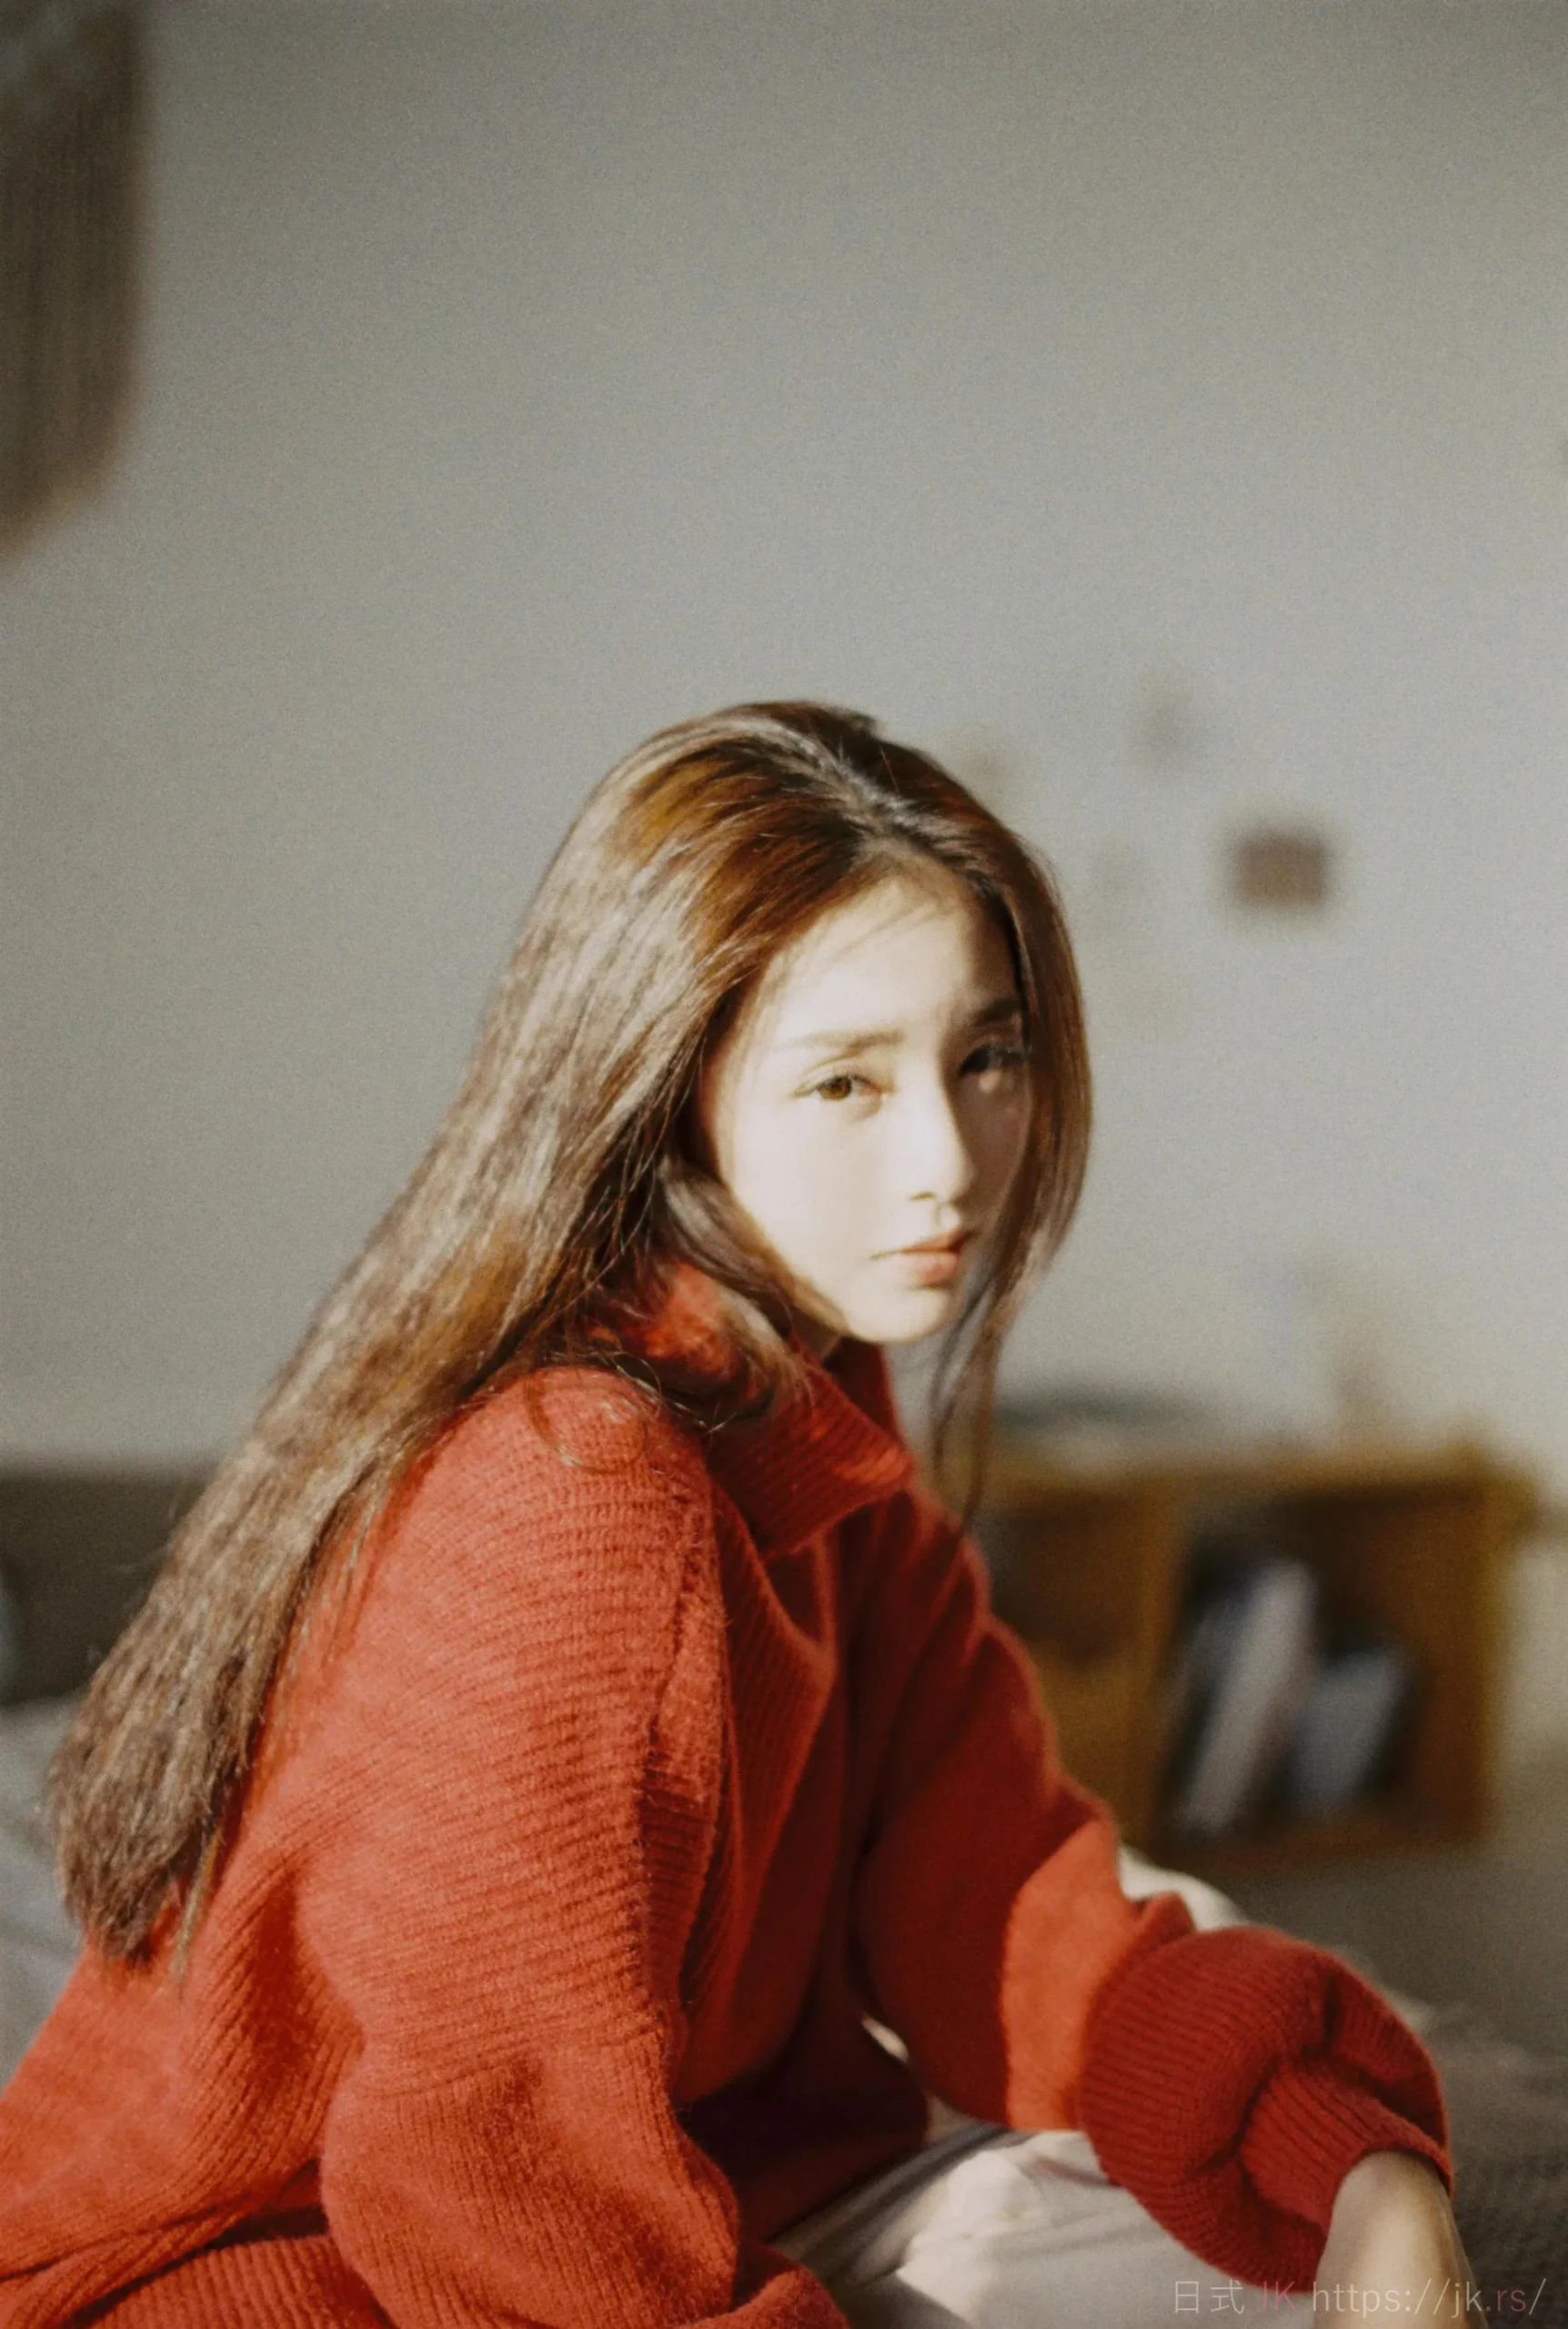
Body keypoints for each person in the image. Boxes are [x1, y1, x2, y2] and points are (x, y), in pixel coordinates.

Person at [0, 704, 1469, 2326]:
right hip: (283, 2274)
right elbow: (499, 2184)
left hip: (691, 2197)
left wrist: (1353, 2160)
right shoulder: (571, 1485)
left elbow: (1006, 1907)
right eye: (845, 1081)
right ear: (665, 1089)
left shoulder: (820, 1444)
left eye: (987, 1057)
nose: (948, 1161)